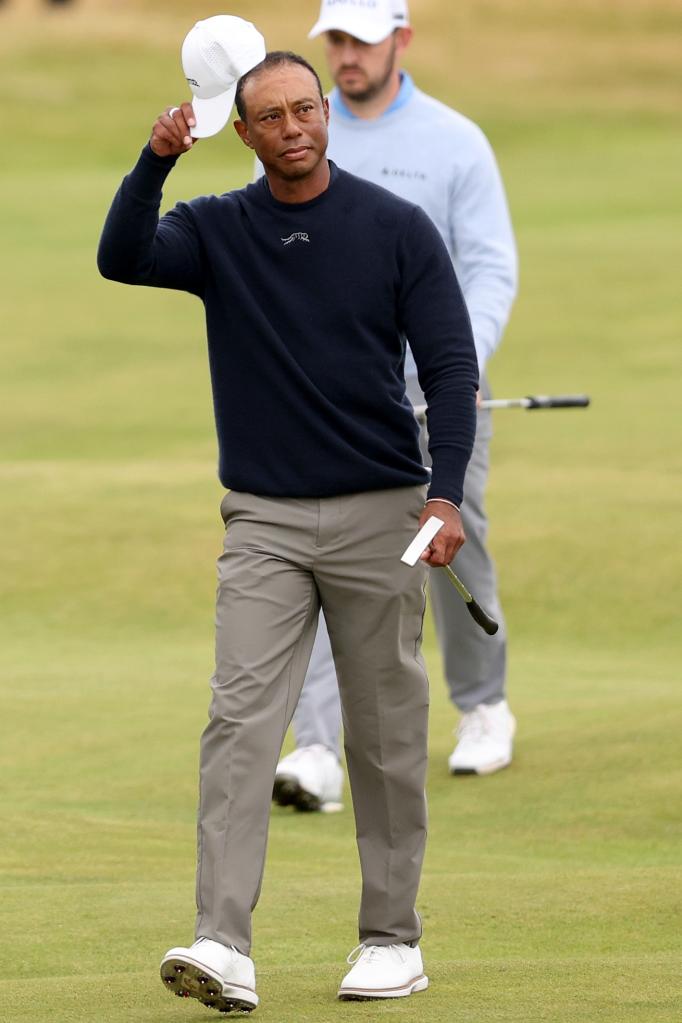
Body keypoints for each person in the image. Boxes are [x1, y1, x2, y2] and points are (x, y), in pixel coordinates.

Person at [97, 22, 478, 1011]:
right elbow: (121, 255)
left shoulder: (394, 228)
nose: (293, 128)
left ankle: (392, 939)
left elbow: (448, 368)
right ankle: (221, 942)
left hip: (381, 511)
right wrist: (154, 160)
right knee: (239, 725)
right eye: (269, 118)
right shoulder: (217, 228)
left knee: (387, 738)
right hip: (262, 520)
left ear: (323, 115)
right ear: (248, 133)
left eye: (304, 110)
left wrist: (444, 496)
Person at [273, 0, 518, 813]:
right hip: (328, 396)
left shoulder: (454, 141)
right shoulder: (294, 130)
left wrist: (461, 363)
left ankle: (482, 705)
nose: (346, 55)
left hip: (435, 389)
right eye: (335, 40)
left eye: (361, 40)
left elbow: (489, 267)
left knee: (454, 537)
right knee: (318, 553)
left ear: (400, 40)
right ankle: (316, 747)